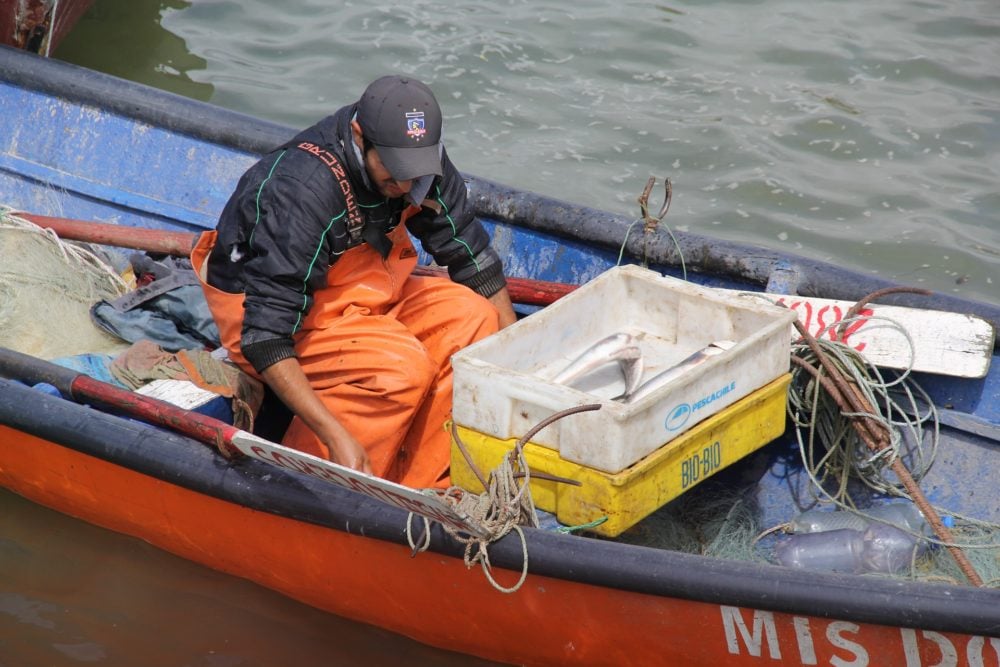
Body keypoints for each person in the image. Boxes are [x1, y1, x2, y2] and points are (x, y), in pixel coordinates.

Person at [191, 75, 517, 490]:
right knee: (399, 369)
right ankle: (314, 482)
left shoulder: (418, 161)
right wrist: (334, 436)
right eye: (396, 172)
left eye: (416, 173)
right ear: (360, 137)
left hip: (365, 293)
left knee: (475, 317)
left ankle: (423, 488)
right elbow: (265, 336)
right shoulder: (302, 190)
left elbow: (470, 256)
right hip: (269, 317)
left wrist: (515, 369)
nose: (405, 186)